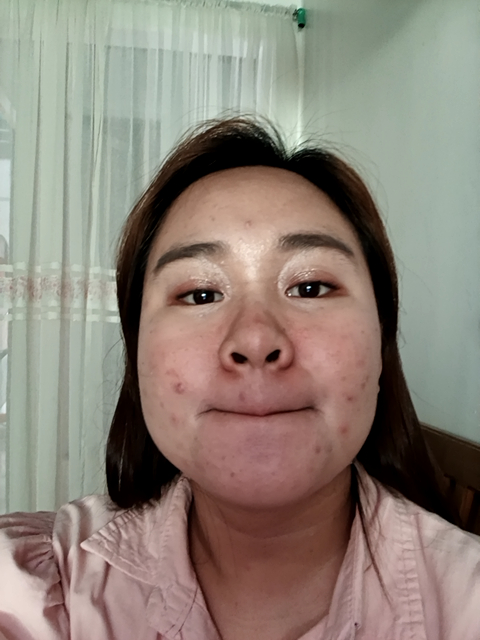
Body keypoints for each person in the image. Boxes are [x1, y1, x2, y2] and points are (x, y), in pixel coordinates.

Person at [0, 117, 479, 640]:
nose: (254, 339)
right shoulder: (37, 586)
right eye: (200, 294)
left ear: (381, 339)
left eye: (311, 287)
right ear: (138, 352)